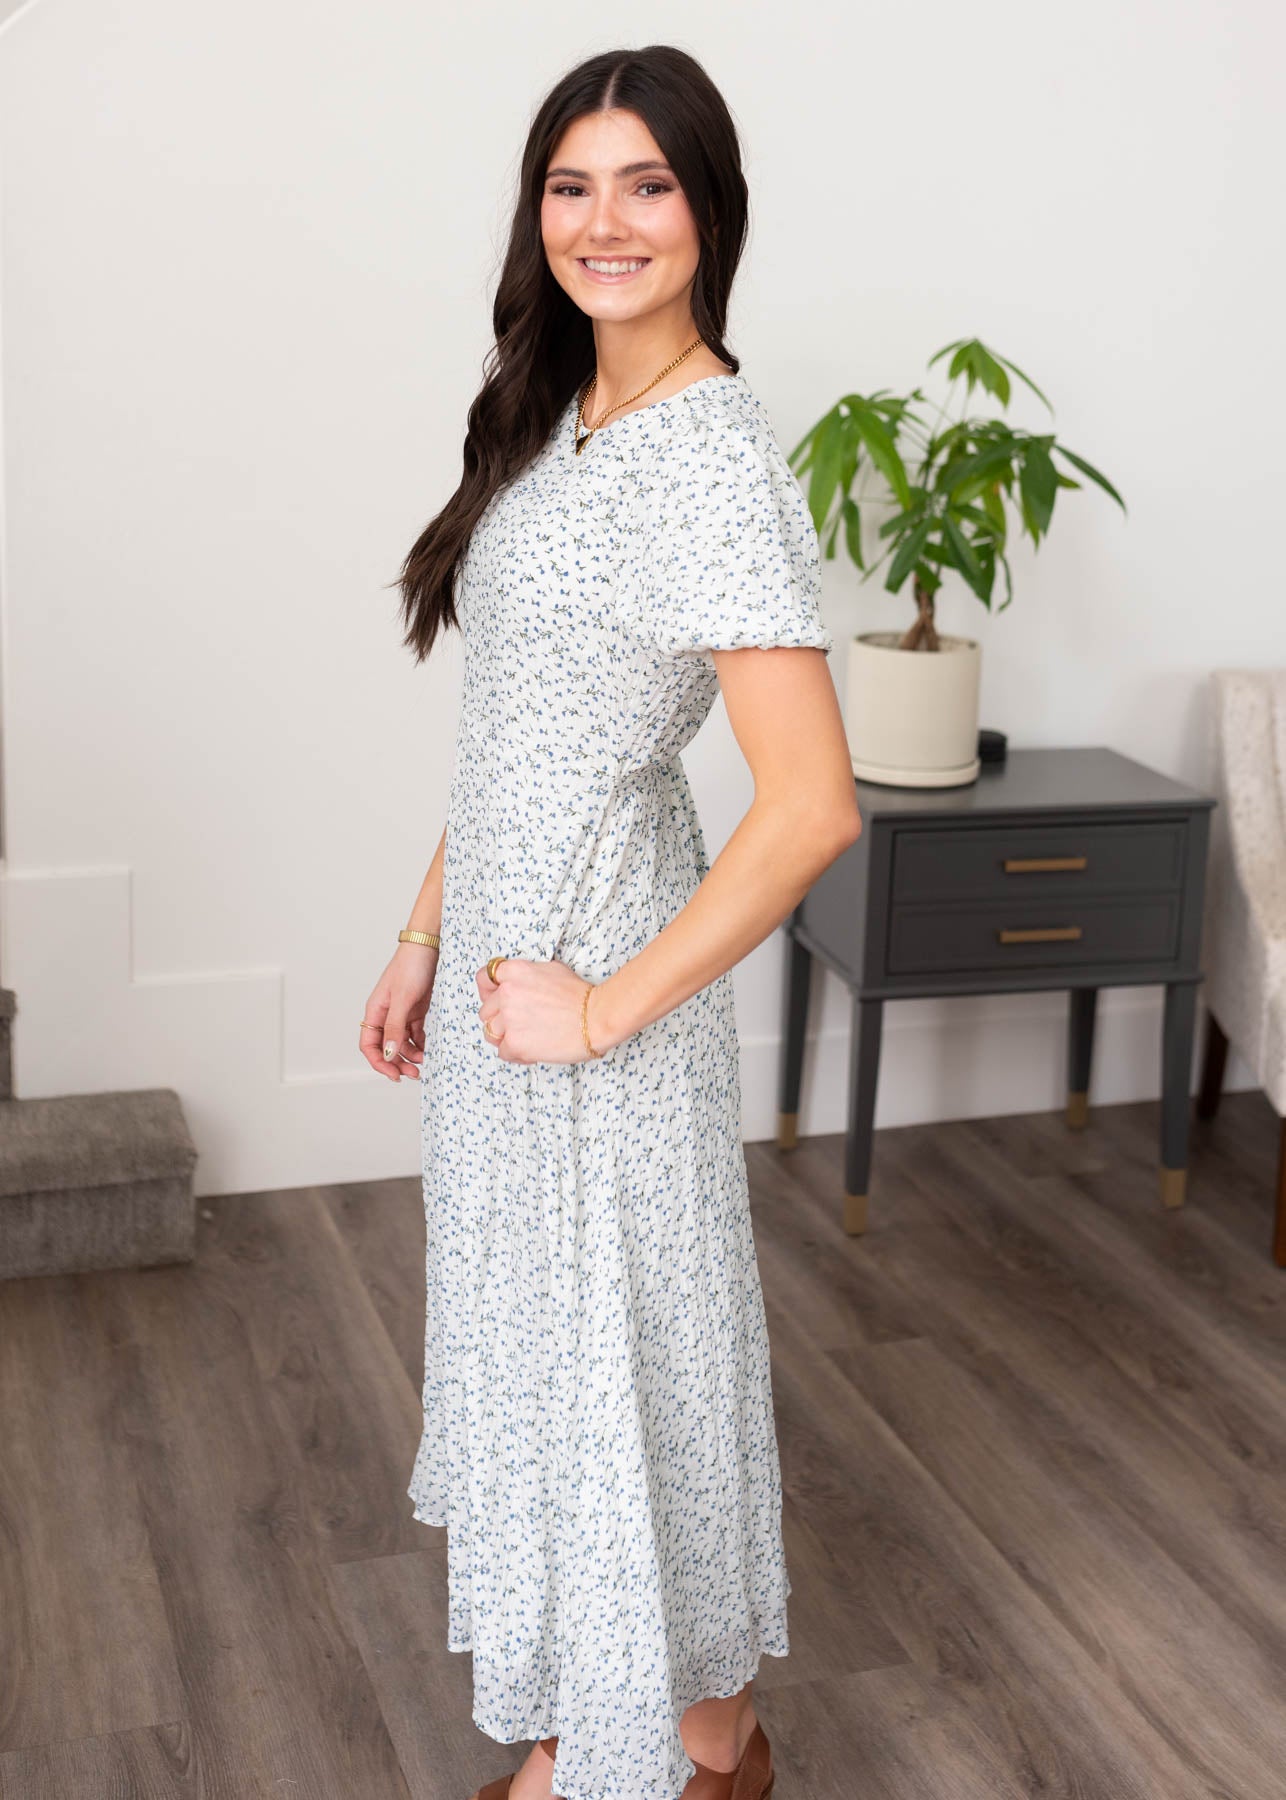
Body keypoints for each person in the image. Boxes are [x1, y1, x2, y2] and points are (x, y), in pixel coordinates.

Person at [360, 43, 862, 1800]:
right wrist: (428, 927)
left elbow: (811, 805)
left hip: (600, 980)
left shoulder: (709, 459)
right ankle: (691, 1733)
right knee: (567, 1346)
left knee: (621, 1343)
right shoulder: (556, 417)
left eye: (645, 183)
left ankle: (649, 1739)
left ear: (710, 209)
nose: (604, 221)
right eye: (571, 186)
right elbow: (514, 727)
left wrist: (602, 1005)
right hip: (505, 966)